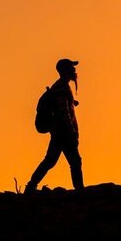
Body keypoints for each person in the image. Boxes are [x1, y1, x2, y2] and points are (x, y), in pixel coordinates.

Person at [26, 58, 85, 192]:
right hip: (63, 133)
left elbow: (61, 107)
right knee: (75, 161)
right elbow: (63, 114)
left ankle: (31, 186)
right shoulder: (61, 88)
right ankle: (80, 191)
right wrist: (72, 133)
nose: (74, 70)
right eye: (71, 67)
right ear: (64, 71)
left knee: (50, 161)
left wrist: (72, 102)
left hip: (59, 132)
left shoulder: (60, 87)